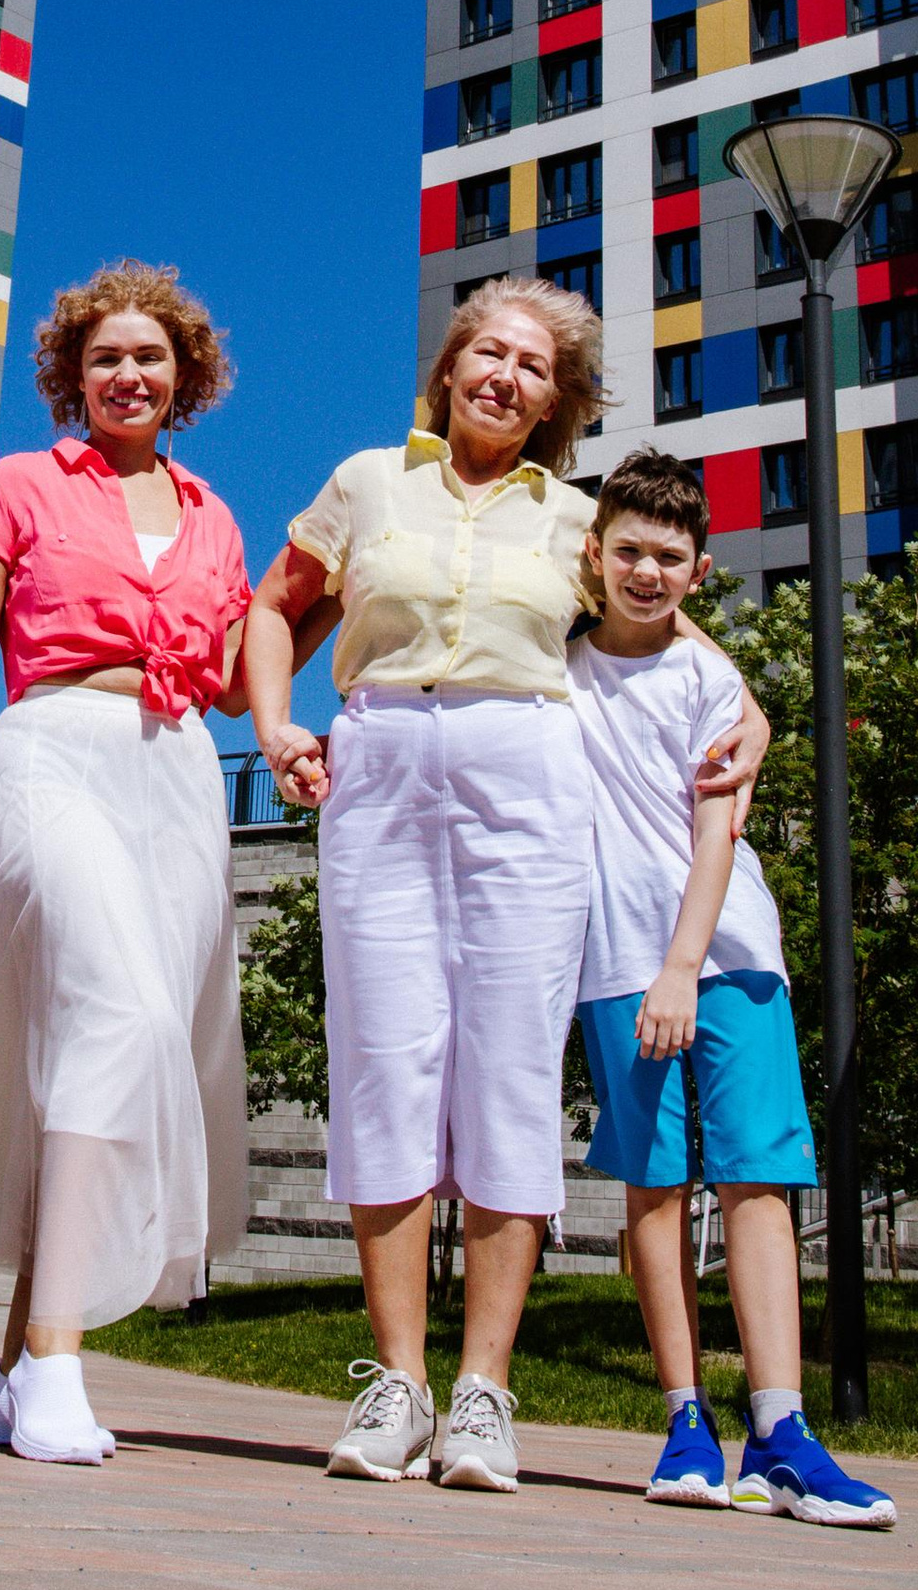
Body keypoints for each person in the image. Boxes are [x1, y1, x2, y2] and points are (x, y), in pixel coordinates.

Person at [243, 276, 766, 1495]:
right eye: (488, 352)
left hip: (527, 781)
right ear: (449, 367)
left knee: (509, 1068)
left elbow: (670, 627)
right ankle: (395, 1384)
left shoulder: (577, 522)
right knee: (384, 1060)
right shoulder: (367, 481)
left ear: (552, 403)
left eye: (533, 367)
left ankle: (482, 1392)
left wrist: (751, 708)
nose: (504, 376)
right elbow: (276, 609)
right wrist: (274, 729)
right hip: (379, 765)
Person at [0, 265, 250, 1464]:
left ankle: (15, 1370)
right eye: (104, 358)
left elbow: (243, 679)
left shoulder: (213, 516)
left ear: (185, 376)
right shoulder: (20, 486)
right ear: (72, 377)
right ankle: (59, 1364)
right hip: (53, 753)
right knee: (118, 1015)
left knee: (114, 1047)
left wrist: (335, 591)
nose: (128, 375)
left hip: (176, 774)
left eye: (150, 357)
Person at [570, 449, 895, 1528]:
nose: (646, 573)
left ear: (699, 572)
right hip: (613, 963)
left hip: (727, 955)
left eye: (669, 559)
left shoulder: (707, 679)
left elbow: (716, 835)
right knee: (653, 1187)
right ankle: (684, 1420)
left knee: (758, 1176)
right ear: (593, 554)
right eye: (628, 552)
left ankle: (782, 1434)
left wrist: (682, 967)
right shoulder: (559, 669)